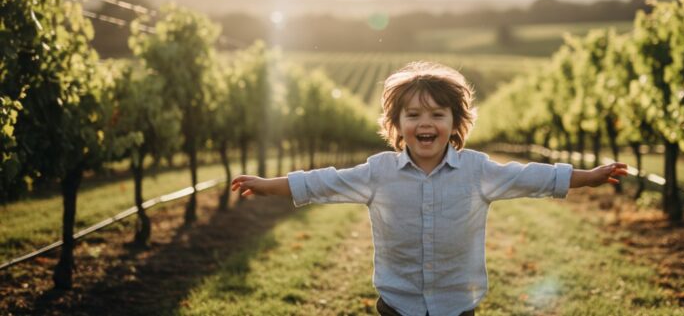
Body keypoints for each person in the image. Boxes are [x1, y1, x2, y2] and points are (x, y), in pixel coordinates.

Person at [231, 61, 628, 316]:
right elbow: (323, 183)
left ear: (455, 123)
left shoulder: (477, 170)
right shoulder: (378, 172)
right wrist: (269, 186)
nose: (426, 122)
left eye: (438, 114)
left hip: (458, 304)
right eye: (414, 114)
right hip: (397, 304)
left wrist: (587, 176)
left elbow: (531, 177)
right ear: (397, 124)